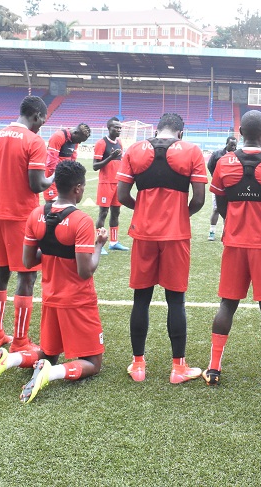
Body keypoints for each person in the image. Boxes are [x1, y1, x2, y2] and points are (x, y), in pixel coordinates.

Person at [0, 161, 108, 403]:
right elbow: (85, 271)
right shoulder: (81, 221)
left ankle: (11, 359)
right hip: (78, 300)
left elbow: (28, 261)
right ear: (78, 188)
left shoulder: (37, 214)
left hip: (50, 296)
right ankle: (51, 373)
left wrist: (52, 248)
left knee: (49, 352)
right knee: (94, 362)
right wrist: (99, 246)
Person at [202, 111, 261, 390]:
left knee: (227, 304)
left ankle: (214, 369)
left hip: (234, 242)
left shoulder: (223, 163)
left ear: (240, 131)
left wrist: (238, 223)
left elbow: (221, 204)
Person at [117, 112, 207, 384]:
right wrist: (180, 214)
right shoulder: (192, 150)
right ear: (181, 132)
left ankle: (138, 366)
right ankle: (178, 368)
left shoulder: (134, 149)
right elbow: (200, 199)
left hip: (143, 234)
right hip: (176, 235)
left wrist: (143, 210)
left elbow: (122, 196)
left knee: (141, 300)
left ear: (156, 130)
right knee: (175, 300)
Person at [0, 95, 54, 352]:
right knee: (26, 276)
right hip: (22, 216)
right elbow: (37, 184)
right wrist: (54, 176)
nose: (42, 125)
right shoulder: (34, 141)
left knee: (2, 272)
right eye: (42, 120)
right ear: (36, 115)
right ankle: (20, 341)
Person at [93, 117, 129, 253]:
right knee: (103, 213)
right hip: (105, 183)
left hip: (117, 183)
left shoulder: (119, 143)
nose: (119, 129)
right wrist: (110, 158)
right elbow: (95, 166)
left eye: (120, 127)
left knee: (116, 213)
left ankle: (113, 242)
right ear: (109, 128)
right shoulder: (101, 143)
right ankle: (99, 244)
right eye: (116, 127)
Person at [43, 123, 91, 202]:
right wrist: (54, 177)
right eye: (79, 140)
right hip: (54, 176)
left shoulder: (75, 141)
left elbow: (73, 158)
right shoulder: (58, 136)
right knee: (52, 203)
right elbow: (51, 161)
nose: (79, 143)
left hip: (65, 176)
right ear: (75, 133)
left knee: (65, 202)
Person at [207, 136, 238, 241]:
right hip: (218, 187)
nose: (233, 147)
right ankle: (212, 232)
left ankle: (226, 232)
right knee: (216, 209)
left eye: (235, 145)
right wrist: (216, 178)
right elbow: (210, 166)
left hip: (232, 188)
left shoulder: (238, 155)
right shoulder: (217, 154)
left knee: (229, 210)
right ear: (226, 144)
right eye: (231, 145)